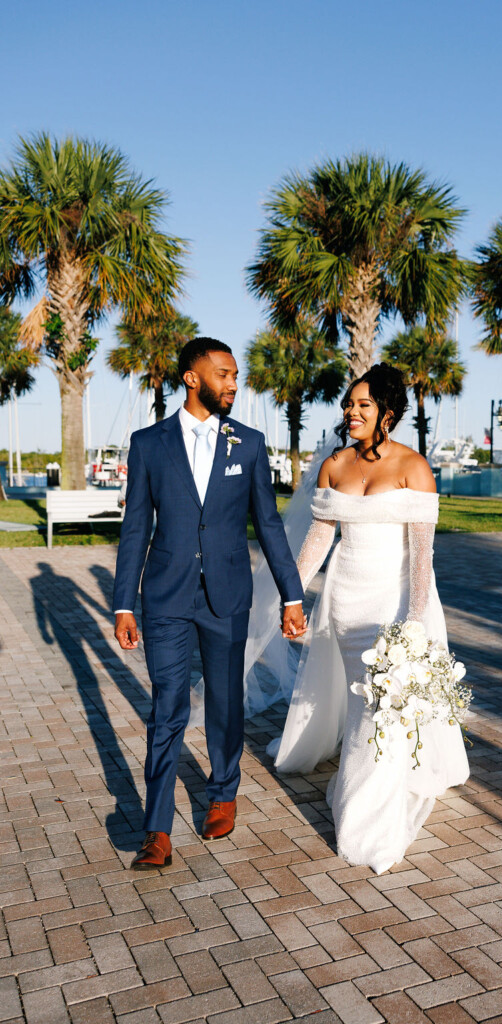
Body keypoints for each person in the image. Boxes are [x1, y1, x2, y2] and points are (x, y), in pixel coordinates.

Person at [268, 363, 470, 874]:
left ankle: (366, 820)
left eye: (363, 405)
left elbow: (421, 559)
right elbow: (318, 541)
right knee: (358, 703)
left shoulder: (414, 467)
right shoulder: (334, 464)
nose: (351, 412)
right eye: (348, 404)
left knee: (376, 709)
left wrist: (414, 622)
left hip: (392, 603)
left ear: (389, 412)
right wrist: (290, 598)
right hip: (343, 600)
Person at [113, 337, 306, 870]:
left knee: (225, 700)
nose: (233, 384)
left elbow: (268, 524)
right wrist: (123, 604)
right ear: (192, 377)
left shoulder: (247, 443)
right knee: (167, 705)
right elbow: (135, 528)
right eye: (223, 373)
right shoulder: (148, 443)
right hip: (166, 595)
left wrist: (292, 593)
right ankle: (156, 828)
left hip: (226, 594)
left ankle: (223, 791)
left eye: (236, 375)